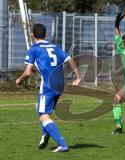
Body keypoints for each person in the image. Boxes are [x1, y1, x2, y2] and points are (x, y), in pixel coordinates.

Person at [16, 23, 81, 152]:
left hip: (48, 86)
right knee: (40, 108)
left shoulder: (34, 49)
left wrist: (19, 79)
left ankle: (62, 145)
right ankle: (45, 134)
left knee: (44, 116)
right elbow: (69, 59)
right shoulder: (55, 47)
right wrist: (78, 76)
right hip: (60, 84)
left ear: (32, 35)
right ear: (46, 35)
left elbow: (28, 72)